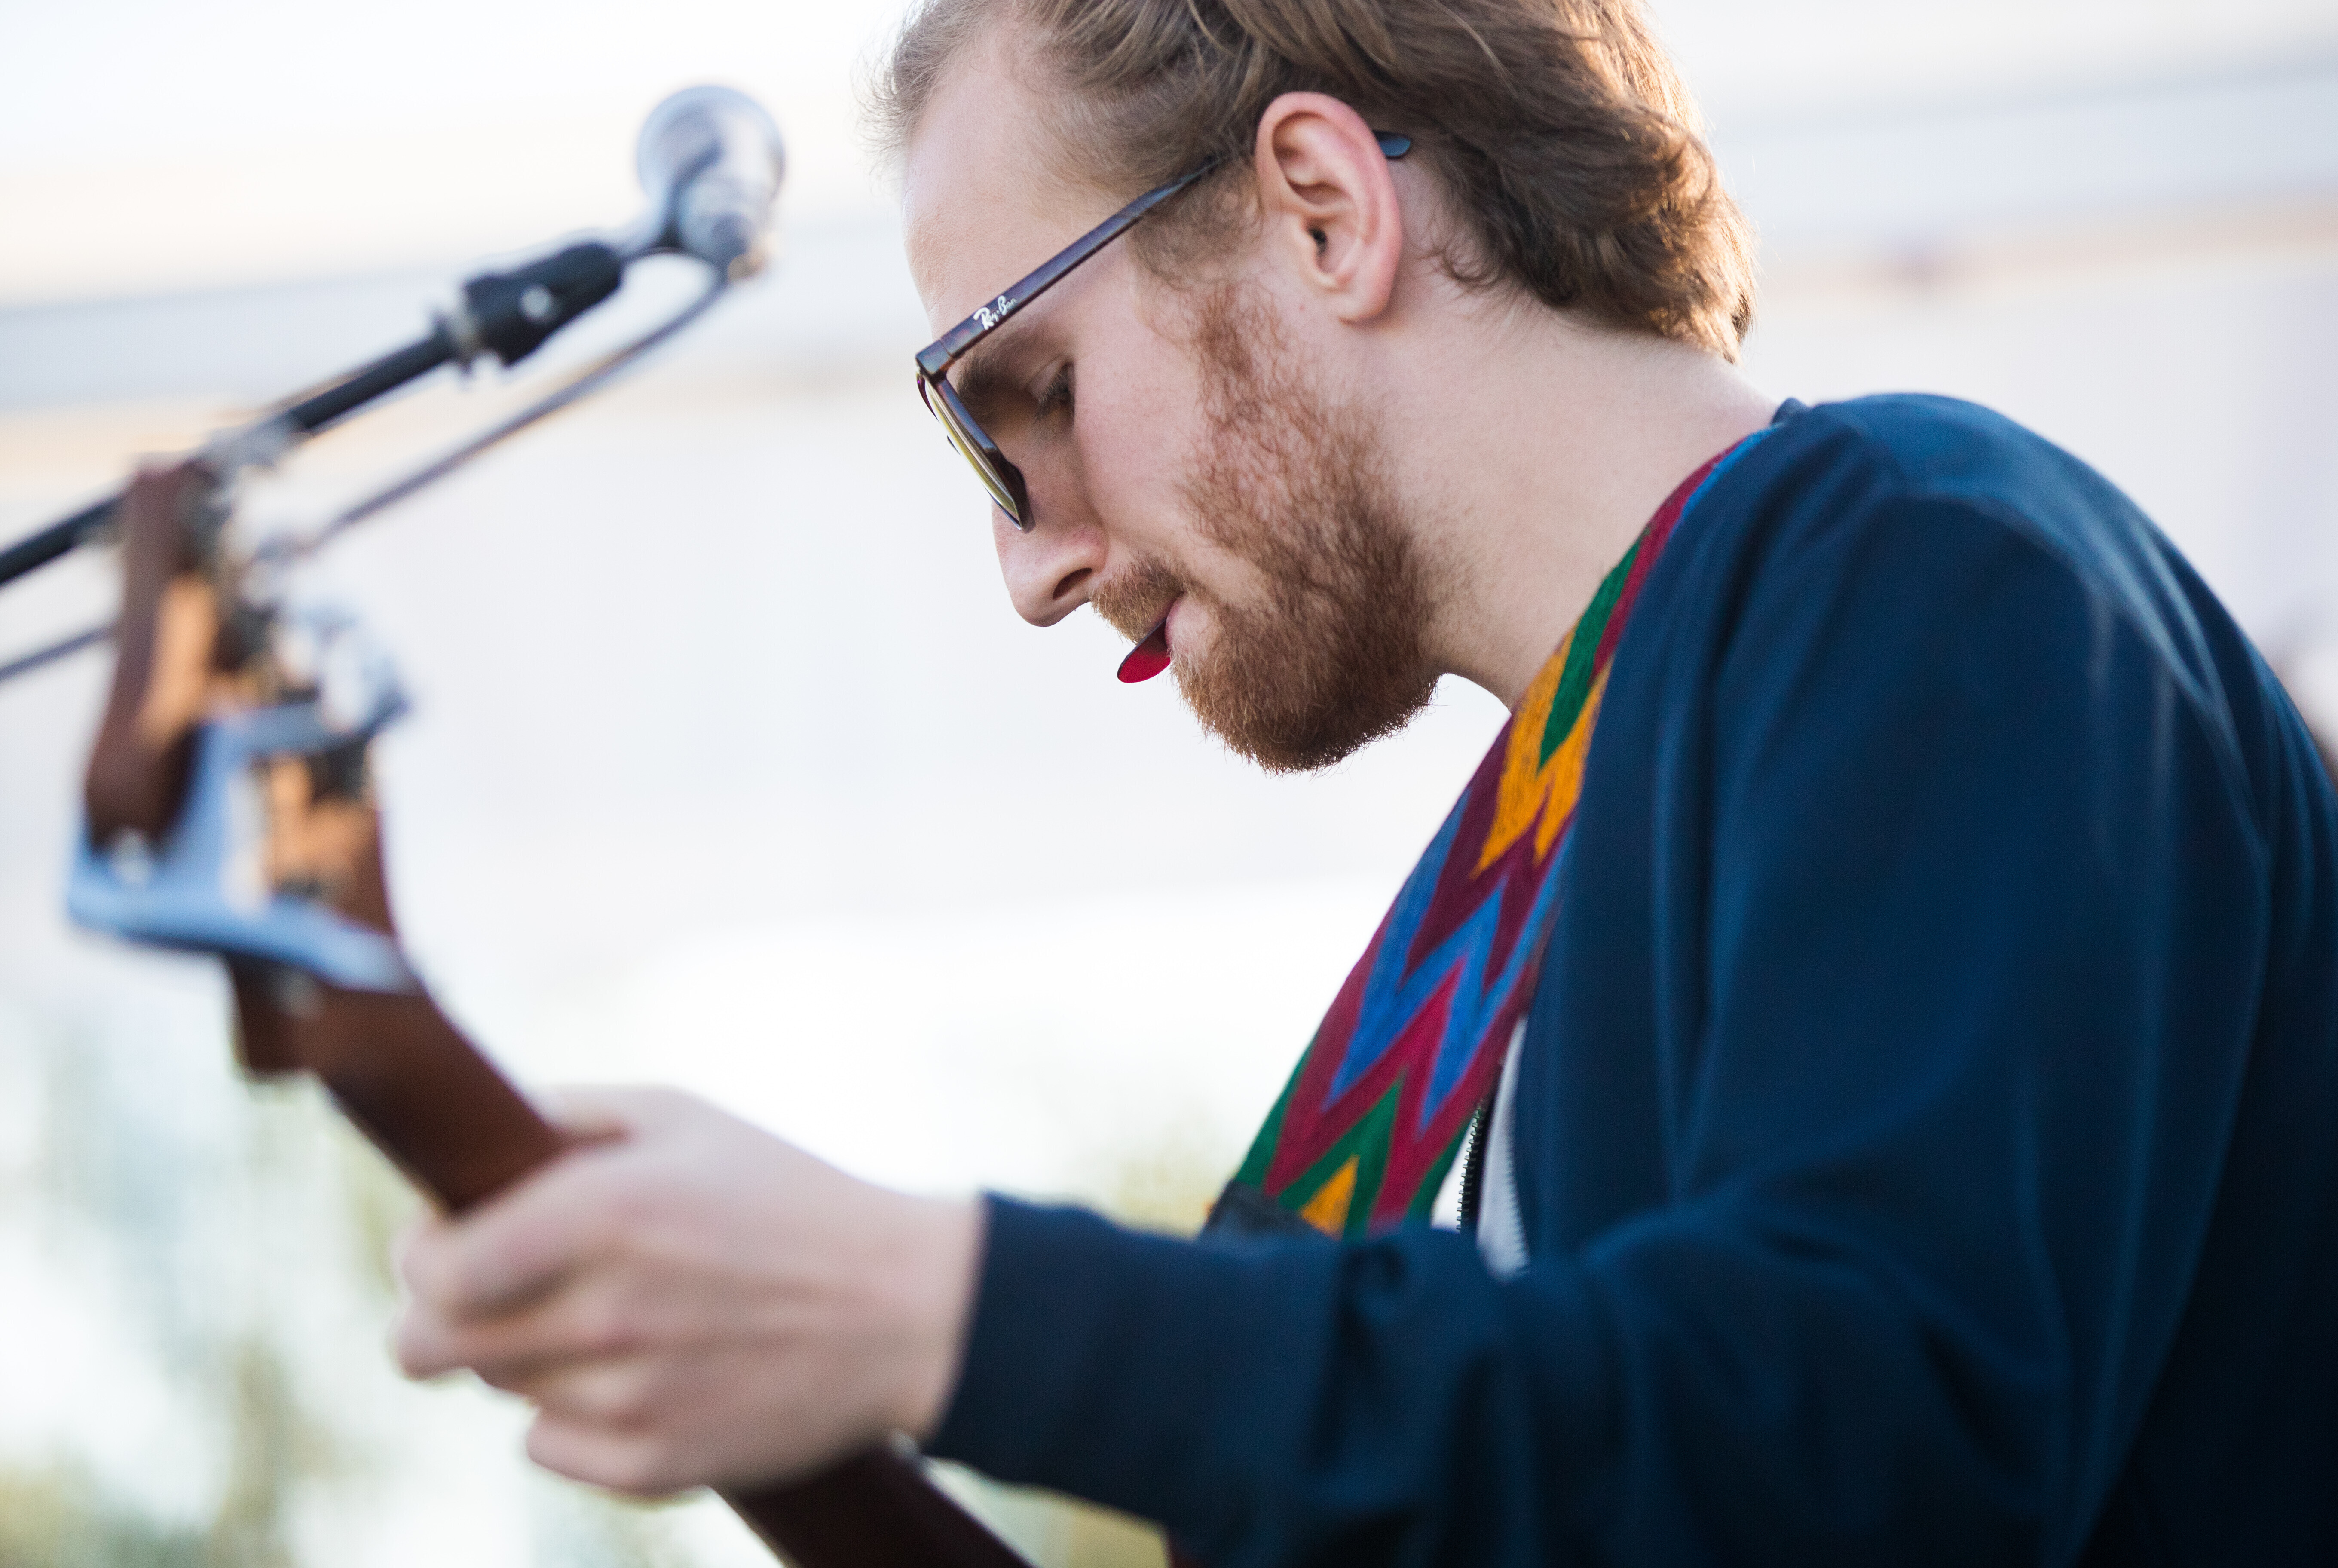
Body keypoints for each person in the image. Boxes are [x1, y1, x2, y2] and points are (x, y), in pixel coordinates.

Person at [391, 1, 2338, 1562]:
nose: (1030, 564)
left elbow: (1856, 1456)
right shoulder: (1524, 893)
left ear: (1324, 208)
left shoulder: (1923, 565)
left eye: (1033, 394)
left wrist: (938, 1307)